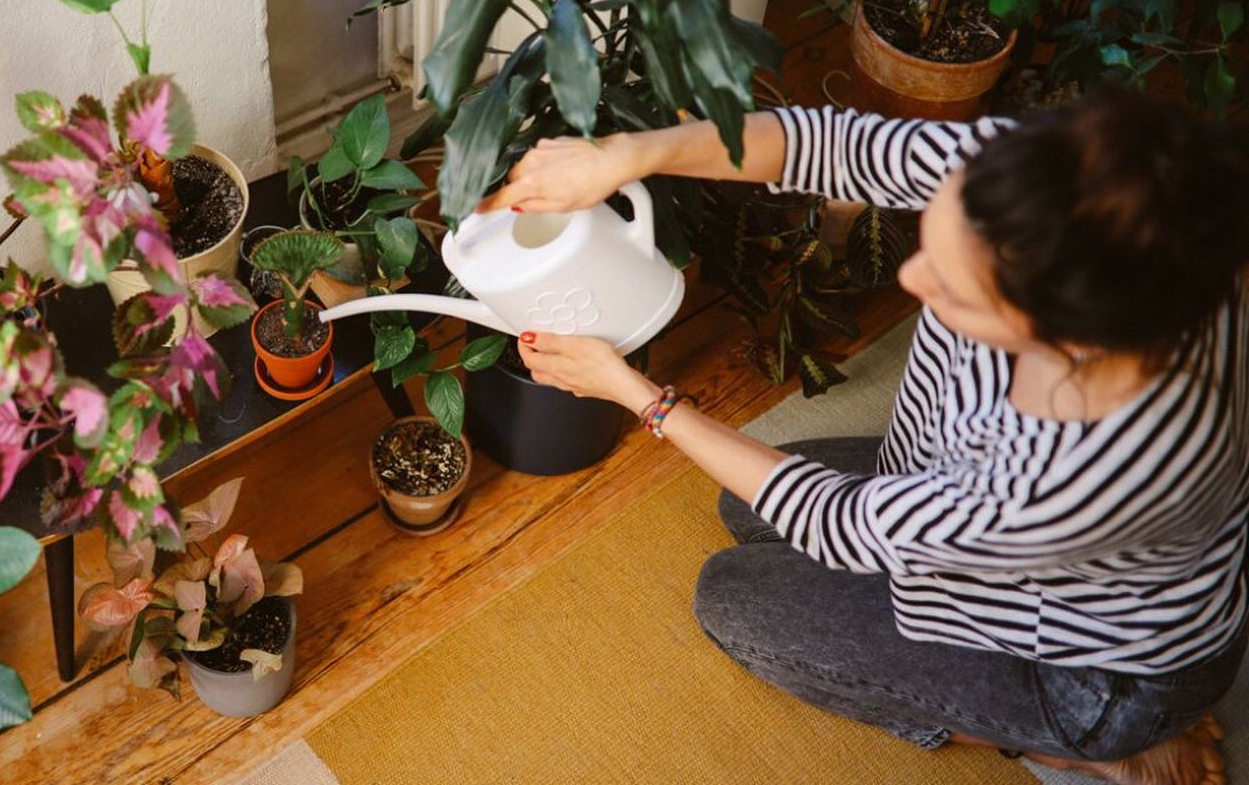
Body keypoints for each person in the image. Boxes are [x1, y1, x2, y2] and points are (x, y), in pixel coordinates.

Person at [477, 90, 1248, 785]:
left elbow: (844, 526)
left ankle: (1083, 743)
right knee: (742, 504)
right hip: (964, 505)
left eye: (955, 289)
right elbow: (839, 145)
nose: (913, 282)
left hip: (1087, 666)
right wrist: (627, 153)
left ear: (1069, 339)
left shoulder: (1074, 474)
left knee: (733, 599)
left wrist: (636, 395)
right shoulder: (1055, 190)